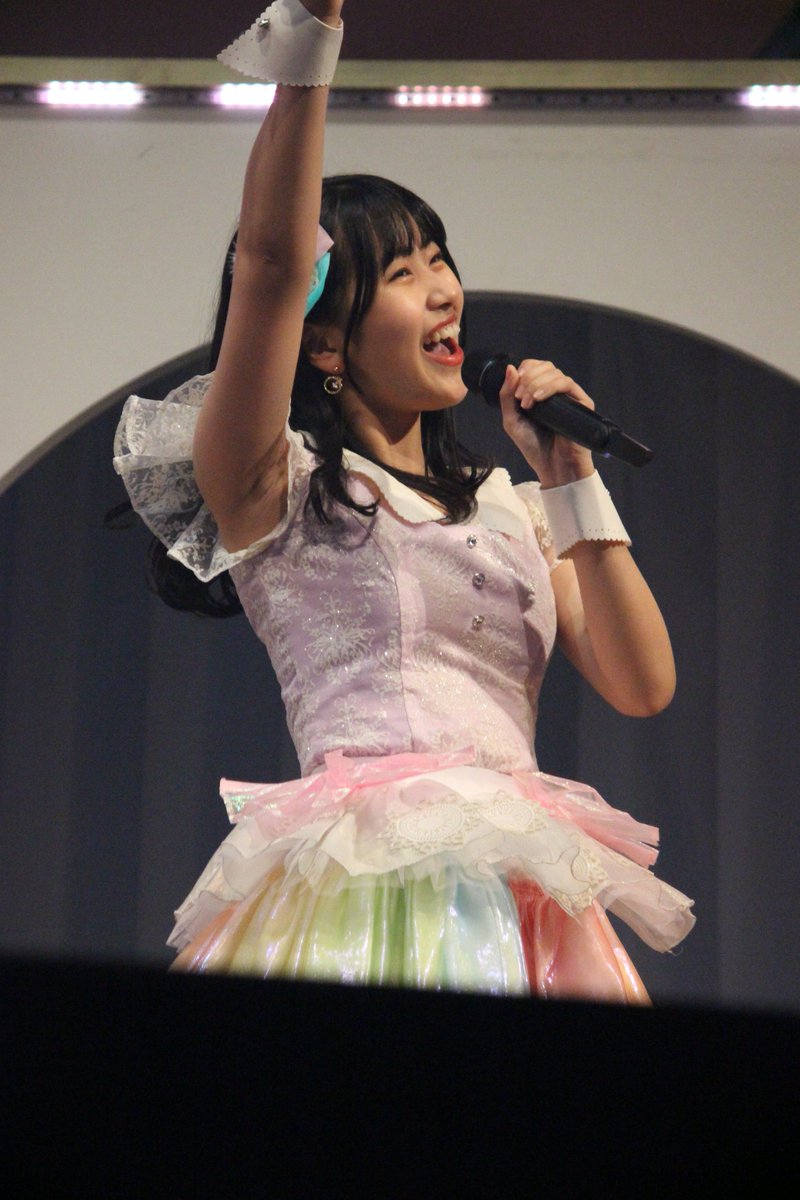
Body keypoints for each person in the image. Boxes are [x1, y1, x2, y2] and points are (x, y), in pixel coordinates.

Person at [114, 0, 694, 1001]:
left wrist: (571, 476)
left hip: (521, 889)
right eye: (401, 271)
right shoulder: (278, 483)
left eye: (439, 259)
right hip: (360, 881)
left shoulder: (513, 507)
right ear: (325, 341)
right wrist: (313, 42)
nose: (443, 289)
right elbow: (268, 267)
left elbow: (642, 685)